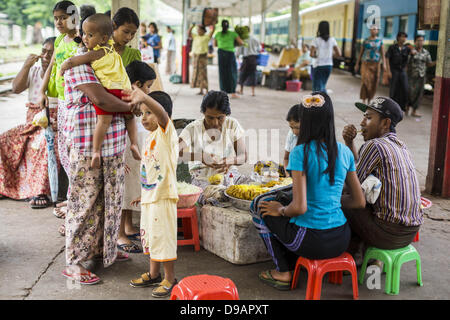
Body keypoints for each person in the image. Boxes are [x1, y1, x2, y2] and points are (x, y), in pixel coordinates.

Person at [252, 92, 365, 290]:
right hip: (340, 239)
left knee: (259, 207)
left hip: (311, 241)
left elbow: (300, 207)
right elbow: (359, 202)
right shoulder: (344, 151)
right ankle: (294, 261)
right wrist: (330, 202)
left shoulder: (300, 153)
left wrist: (281, 210)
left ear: (305, 122)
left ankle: (283, 271)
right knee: (283, 206)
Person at [61, 44, 138, 285]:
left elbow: (124, 90)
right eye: (89, 35)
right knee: (84, 205)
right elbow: (100, 99)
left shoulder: (110, 61)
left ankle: (104, 250)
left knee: (110, 203)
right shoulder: (79, 64)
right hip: (87, 149)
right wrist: (130, 107)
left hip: (113, 147)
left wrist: (129, 106)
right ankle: (74, 263)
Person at [342, 97, 423, 263]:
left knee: (339, 200)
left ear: (385, 123)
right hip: (409, 233)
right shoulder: (401, 145)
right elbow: (359, 170)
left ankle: (352, 255)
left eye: (369, 118)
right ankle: (367, 256)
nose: (362, 123)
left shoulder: (375, 146)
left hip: (388, 234)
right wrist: (349, 143)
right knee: (363, 195)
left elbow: (352, 185)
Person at [59, 13, 141, 169]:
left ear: (103, 38)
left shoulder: (98, 52)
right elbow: (107, 33)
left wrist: (65, 65)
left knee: (103, 122)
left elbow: (75, 60)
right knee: (130, 118)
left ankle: (96, 151)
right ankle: (134, 144)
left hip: (109, 91)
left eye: (90, 35)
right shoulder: (110, 47)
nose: (84, 38)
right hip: (124, 90)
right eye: (83, 34)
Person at [126, 89, 179, 298]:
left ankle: (170, 278)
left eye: (150, 112)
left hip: (164, 197)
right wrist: (144, 193)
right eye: (143, 112)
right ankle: (154, 274)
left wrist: (144, 97)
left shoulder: (166, 133)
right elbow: (150, 170)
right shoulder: (149, 138)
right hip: (151, 197)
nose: (144, 117)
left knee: (163, 238)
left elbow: (163, 115)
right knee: (151, 237)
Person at [0, 37, 57, 209]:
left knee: (43, 144)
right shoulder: (34, 70)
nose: (46, 55)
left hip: (50, 123)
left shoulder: (59, 73)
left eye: (50, 52)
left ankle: (40, 191)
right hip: (30, 123)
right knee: (3, 140)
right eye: (44, 51)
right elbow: (16, 88)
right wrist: (26, 65)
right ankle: (5, 186)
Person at [38, 1, 80, 213]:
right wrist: (41, 91)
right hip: (62, 101)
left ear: (74, 17)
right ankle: (73, 196)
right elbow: (53, 65)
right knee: (63, 149)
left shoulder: (82, 40)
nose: (59, 22)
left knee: (75, 150)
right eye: (56, 18)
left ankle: (76, 197)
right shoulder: (61, 40)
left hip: (77, 102)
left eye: (63, 17)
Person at [111, 7, 145, 253]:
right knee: (121, 174)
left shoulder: (134, 53)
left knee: (131, 172)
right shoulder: (103, 51)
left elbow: (137, 83)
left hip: (129, 112)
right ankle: (119, 232)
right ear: (113, 27)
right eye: (125, 32)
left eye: (133, 33)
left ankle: (129, 225)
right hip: (110, 114)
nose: (129, 37)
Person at [119, 60, 157, 252]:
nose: (149, 90)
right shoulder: (127, 97)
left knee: (131, 186)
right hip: (125, 148)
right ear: (138, 84)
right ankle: (119, 234)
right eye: (148, 86)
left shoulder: (134, 96)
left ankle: (127, 226)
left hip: (132, 148)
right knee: (123, 190)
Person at [178, 91, 247, 185]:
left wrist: (229, 161)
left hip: (229, 173)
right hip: (201, 176)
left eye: (220, 118)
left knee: (251, 189)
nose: (215, 123)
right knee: (212, 194)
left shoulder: (232, 124)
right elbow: (175, 152)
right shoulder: (193, 128)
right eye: (210, 118)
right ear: (203, 113)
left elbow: (243, 156)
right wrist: (200, 157)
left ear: (226, 114)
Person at [355, 25, 387, 104]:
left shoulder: (380, 41)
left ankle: (369, 99)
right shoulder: (366, 41)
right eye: (372, 29)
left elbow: (383, 53)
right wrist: (357, 64)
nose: (373, 31)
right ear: (370, 31)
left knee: (373, 82)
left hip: (376, 64)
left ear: (377, 31)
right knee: (365, 80)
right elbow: (361, 52)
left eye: (375, 29)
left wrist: (384, 64)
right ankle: (364, 99)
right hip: (366, 63)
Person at [214, 20, 244, 99]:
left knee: (222, 73)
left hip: (221, 53)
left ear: (221, 26)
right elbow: (241, 42)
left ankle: (223, 92)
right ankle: (233, 92)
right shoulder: (233, 34)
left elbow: (214, 44)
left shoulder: (217, 34)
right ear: (228, 26)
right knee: (232, 73)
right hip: (230, 54)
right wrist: (233, 43)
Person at [407, 35, 436, 117]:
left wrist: (437, 61)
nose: (420, 42)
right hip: (411, 75)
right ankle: (407, 107)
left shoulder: (426, 52)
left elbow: (429, 64)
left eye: (422, 40)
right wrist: (410, 54)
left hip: (422, 76)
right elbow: (406, 62)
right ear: (415, 42)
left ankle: (414, 110)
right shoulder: (410, 51)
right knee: (410, 92)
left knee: (419, 93)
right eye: (419, 40)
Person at [310, 21, 341, 92]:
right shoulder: (332, 39)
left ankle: (323, 101)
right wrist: (330, 56)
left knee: (317, 88)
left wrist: (317, 55)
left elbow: (311, 54)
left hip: (319, 65)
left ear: (319, 29)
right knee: (323, 85)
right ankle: (324, 100)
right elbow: (339, 54)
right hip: (328, 65)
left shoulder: (316, 40)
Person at [385, 32, 411, 111]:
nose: (404, 39)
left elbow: (409, 59)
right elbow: (387, 58)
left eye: (405, 37)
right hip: (394, 70)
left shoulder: (407, 49)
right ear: (398, 38)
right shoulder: (392, 47)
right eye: (402, 37)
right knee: (393, 89)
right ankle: (391, 107)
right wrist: (388, 71)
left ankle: (402, 107)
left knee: (405, 88)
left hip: (402, 71)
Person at [189, 24, 214, 95]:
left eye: (199, 29)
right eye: (197, 30)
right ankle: (201, 90)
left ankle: (206, 90)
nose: (198, 31)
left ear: (203, 31)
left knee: (203, 73)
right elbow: (189, 33)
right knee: (197, 73)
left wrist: (213, 24)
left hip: (202, 56)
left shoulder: (206, 37)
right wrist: (192, 26)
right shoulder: (195, 36)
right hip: (195, 56)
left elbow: (212, 31)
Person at [237, 26, 261, 97]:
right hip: (254, 59)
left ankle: (241, 90)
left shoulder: (242, 39)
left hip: (246, 59)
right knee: (253, 74)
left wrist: (237, 55)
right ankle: (253, 92)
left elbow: (239, 51)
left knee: (242, 74)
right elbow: (259, 48)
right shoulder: (255, 38)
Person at [283, 104, 301, 177]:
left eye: (297, 128)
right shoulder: (291, 134)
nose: (294, 132)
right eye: (291, 127)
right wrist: (287, 174)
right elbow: (286, 158)